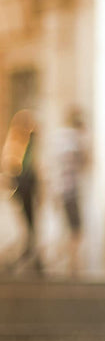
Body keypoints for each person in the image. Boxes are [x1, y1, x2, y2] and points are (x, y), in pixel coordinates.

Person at [1, 109, 43, 275]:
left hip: (28, 190)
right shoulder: (16, 144)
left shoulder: (29, 146)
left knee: (30, 225)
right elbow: (11, 168)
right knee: (25, 226)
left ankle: (32, 257)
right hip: (21, 189)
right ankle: (26, 257)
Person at [51, 106, 89, 277]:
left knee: (69, 228)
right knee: (75, 230)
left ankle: (69, 262)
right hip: (69, 191)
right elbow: (83, 162)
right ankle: (70, 264)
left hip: (61, 190)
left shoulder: (60, 138)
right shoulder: (72, 140)